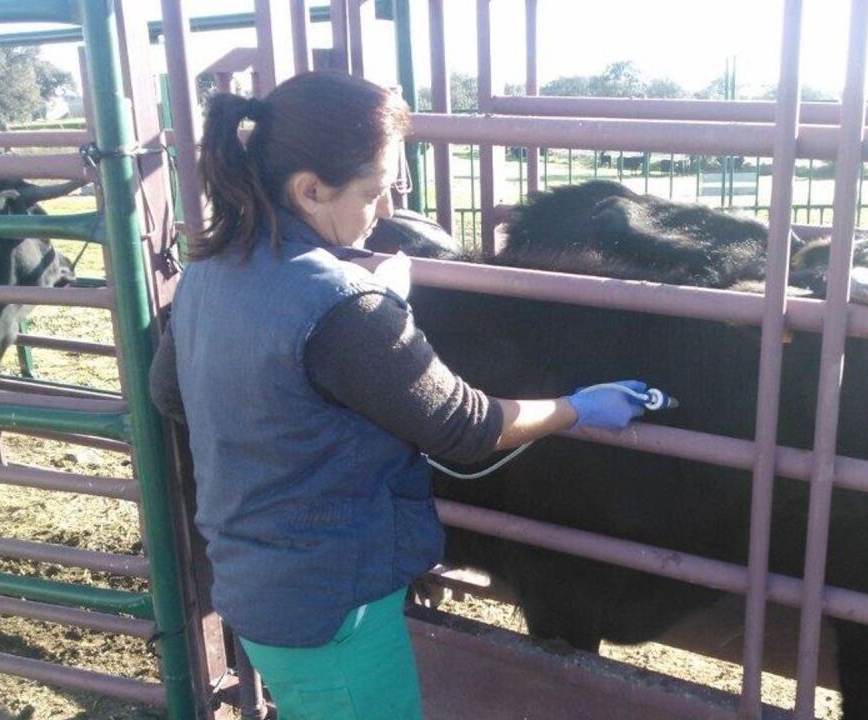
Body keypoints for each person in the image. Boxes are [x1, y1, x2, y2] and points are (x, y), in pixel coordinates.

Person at [148, 71, 649, 720]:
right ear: (310, 189)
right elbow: (466, 427)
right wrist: (578, 408)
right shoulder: (343, 305)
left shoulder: (209, 272)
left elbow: (170, 393)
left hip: (255, 586)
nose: (385, 210)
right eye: (373, 190)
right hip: (336, 605)